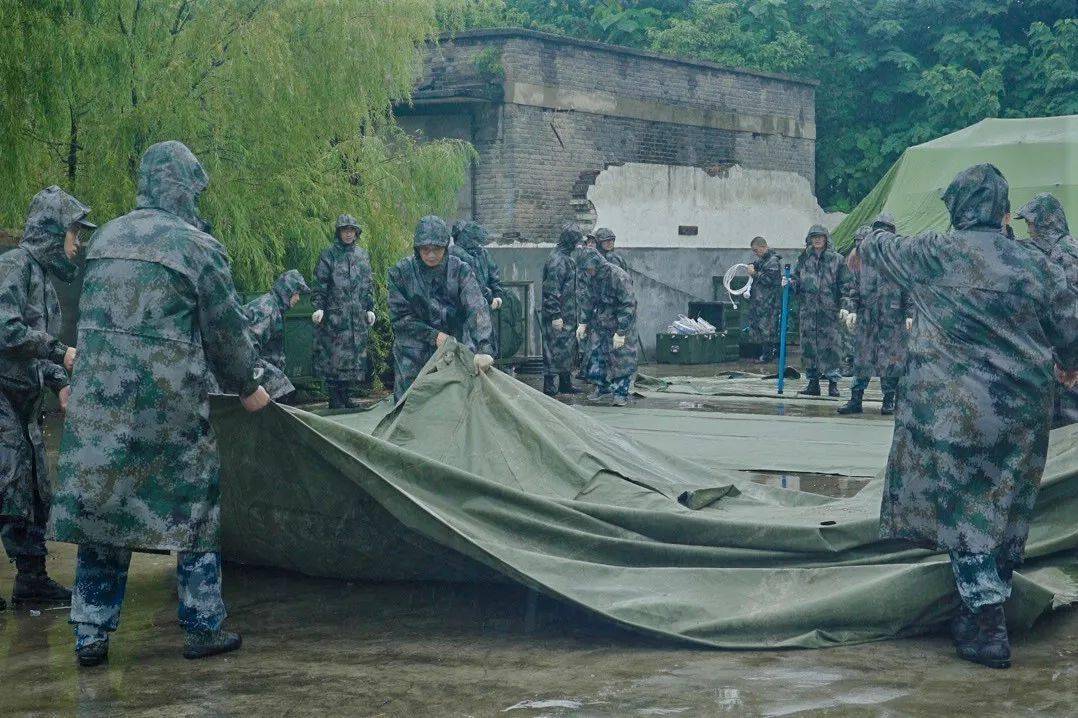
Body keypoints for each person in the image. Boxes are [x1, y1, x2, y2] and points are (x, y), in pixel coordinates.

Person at [48, 141, 271, 667]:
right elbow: (225, 334)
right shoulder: (197, 247)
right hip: (166, 408)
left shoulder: (102, 241)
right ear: (186, 186)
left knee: (101, 512)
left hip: (99, 406)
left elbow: (72, 320)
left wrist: (62, 378)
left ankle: (90, 635)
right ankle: (202, 627)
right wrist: (249, 386)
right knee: (195, 507)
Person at [849, 163, 1078, 670]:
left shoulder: (934, 252)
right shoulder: (1034, 261)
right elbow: (1070, 330)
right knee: (1004, 506)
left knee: (965, 515)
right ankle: (986, 602)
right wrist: (1067, 366)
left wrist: (879, 225)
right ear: (1004, 210)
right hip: (1021, 414)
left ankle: (986, 623)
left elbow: (874, 249)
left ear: (957, 206)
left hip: (951, 415)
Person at [0, 186, 93, 611]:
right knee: (8, 483)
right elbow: (7, 330)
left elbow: (45, 345)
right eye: (75, 233)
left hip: (25, 403)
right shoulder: (14, 266)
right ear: (54, 231)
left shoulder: (44, 280)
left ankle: (31, 580)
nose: (79, 244)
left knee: (35, 489)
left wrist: (60, 382)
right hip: (2, 396)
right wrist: (60, 355)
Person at [387, 215, 494, 402]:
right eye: (425, 249)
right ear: (417, 248)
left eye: (436, 249)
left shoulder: (461, 270)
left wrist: (484, 348)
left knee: (457, 405)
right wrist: (433, 336)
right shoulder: (401, 273)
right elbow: (400, 318)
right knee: (410, 406)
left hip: (455, 348)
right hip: (413, 352)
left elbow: (476, 307)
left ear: (445, 247)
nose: (431, 255)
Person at [838, 214, 913, 415]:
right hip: (867, 318)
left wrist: (910, 314)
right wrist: (849, 308)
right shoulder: (862, 259)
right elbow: (852, 287)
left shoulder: (900, 260)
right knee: (862, 360)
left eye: (886, 229)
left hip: (893, 319)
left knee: (891, 362)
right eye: (879, 229)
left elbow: (910, 290)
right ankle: (856, 399)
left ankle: (889, 400)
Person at [1014, 193, 1078, 427]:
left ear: (1045, 222)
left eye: (1031, 223)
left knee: (1066, 434)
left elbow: (1069, 316)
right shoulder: (1061, 250)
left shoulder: (1063, 256)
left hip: (1069, 365)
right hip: (1065, 358)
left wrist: (1067, 363)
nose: (1029, 230)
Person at [311, 215, 376, 409]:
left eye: (351, 230)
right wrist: (319, 307)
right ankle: (335, 398)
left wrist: (370, 308)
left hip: (357, 316)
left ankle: (346, 396)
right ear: (339, 232)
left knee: (354, 357)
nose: (348, 233)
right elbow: (320, 283)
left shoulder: (362, 255)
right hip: (335, 316)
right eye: (344, 230)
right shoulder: (328, 255)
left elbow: (368, 283)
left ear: (356, 232)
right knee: (335, 356)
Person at [789, 225, 849, 397]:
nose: (817, 240)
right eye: (813, 237)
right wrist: (790, 283)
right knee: (809, 348)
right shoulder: (803, 259)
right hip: (808, 312)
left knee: (832, 347)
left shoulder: (837, 260)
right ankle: (813, 383)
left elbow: (846, 285)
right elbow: (796, 279)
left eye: (820, 237)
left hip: (829, 313)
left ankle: (833, 384)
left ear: (826, 239)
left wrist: (845, 306)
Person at [577, 248, 638, 406]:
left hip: (620, 322)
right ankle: (602, 387)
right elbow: (588, 300)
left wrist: (621, 332)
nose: (588, 272)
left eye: (589, 268)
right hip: (601, 321)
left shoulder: (618, 276)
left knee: (622, 358)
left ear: (597, 264)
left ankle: (621, 393)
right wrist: (583, 322)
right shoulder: (592, 277)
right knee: (596, 355)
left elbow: (628, 304)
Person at [245, 269, 311, 400]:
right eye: (296, 293)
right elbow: (247, 349)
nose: (298, 298)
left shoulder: (274, 308)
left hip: (260, 372)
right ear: (287, 291)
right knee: (281, 387)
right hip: (252, 374)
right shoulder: (268, 310)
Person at [541, 223, 583, 396]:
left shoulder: (567, 258)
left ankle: (565, 383)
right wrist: (555, 314)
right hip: (558, 316)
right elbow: (551, 290)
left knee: (567, 350)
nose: (578, 244)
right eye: (576, 241)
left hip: (569, 315)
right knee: (553, 350)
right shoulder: (557, 261)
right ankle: (550, 387)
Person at [450, 221, 505, 355]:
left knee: (484, 346)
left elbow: (493, 274)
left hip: (484, 309)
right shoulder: (455, 255)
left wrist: (497, 295)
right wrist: (491, 297)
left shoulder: (481, 253)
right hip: (462, 312)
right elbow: (472, 284)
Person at [745, 236, 783, 364]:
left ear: (763, 247)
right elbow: (757, 265)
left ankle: (769, 354)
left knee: (769, 328)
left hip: (770, 302)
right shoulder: (763, 260)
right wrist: (752, 266)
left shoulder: (772, 261)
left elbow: (769, 280)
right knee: (761, 328)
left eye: (756, 250)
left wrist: (754, 273)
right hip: (761, 302)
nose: (755, 253)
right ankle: (764, 353)